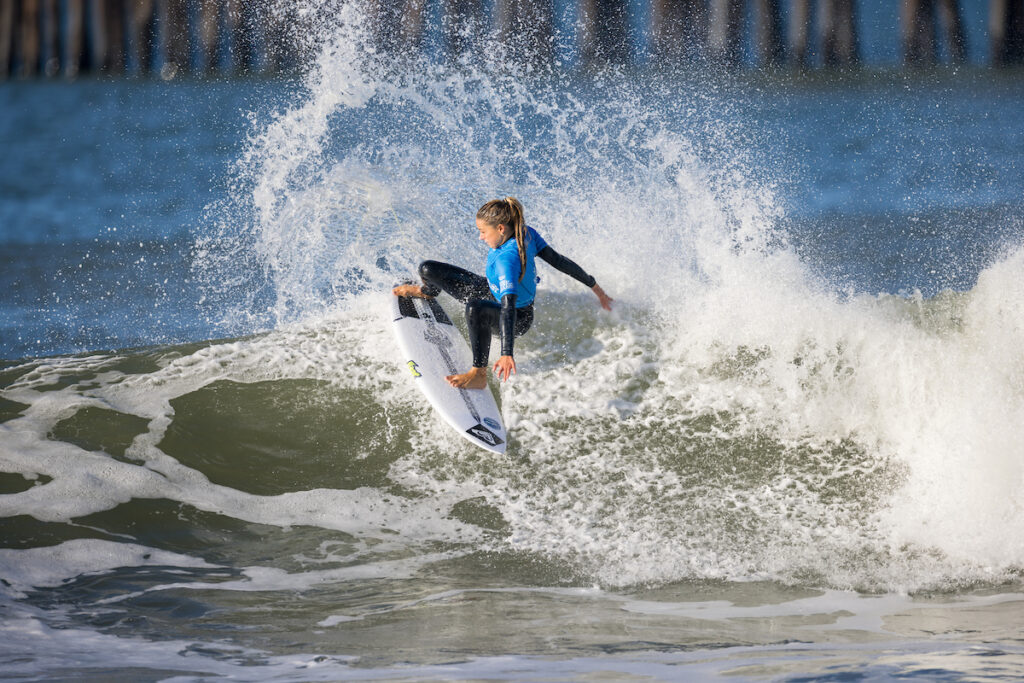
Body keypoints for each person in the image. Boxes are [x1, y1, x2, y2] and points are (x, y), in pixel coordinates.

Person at [393, 197, 613, 389]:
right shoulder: (524, 231)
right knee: (428, 269)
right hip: (490, 291)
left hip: (518, 317)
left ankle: (479, 374)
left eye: (482, 232)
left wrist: (507, 352)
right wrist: (596, 289)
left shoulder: (508, 259)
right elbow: (560, 262)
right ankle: (428, 292)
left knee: (475, 308)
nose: (480, 238)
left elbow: (509, 306)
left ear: (500, 228)